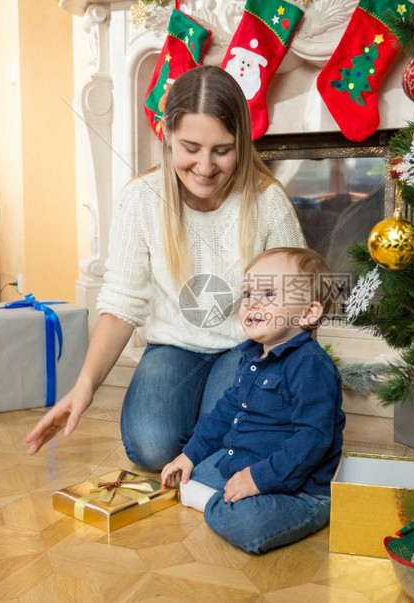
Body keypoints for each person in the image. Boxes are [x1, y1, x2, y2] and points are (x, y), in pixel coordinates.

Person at [25, 66, 306, 469]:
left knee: (224, 440)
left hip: (246, 346)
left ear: (241, 144)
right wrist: (83, 387)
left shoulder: (268, 203)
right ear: (167, 135)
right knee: (150, 446)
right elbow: (122, 304)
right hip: (174, 347)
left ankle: (209, 432)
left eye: (222, 150)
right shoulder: (140, 201)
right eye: (191, 147)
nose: (205, 167)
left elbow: (295, 304)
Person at [161, 247, 345, 554]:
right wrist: (189, 455)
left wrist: (259, 479)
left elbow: (313, 439)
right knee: (195, 471)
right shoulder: (251, 355)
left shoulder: (311, 365)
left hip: (298, 490)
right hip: (246, 463)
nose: (253, 303)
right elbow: (225, 412)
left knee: (247, 525)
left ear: (308, 313)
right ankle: (218, 496)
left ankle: (218, 503)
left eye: (269, 293)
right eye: (247, 293)